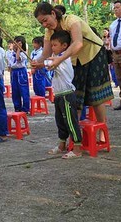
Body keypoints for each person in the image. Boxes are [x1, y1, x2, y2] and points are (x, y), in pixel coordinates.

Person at [32, 3, 113, 127]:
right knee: (75, 95)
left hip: (94, 54)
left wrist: (60, 59)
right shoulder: (48, 32)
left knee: (96, 95)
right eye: (41, 23)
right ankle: (74, 134)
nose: (44, 24)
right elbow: (46, 53)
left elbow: (78, 43)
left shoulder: (71, 20)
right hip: (75, 60)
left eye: (45, 20)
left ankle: (102, 128)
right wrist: (38, 62)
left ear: (53, 13)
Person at [46, 30, 83, 159]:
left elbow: (50, 64)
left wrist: (42, 64)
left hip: (67, 95)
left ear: (64, 46)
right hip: (58, 95)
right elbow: (49, 64)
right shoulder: (56, 59)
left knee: (71, 121)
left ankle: (77, 148)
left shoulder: (64, 59)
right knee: (60, 121)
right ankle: (62, 144)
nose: (52, 48)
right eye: (51, 45)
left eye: (55, 45)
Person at [7, 36, 30, 113]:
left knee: (23, 90)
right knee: (15, 90)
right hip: (14, 72)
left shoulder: (23, 53)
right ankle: (17, 107)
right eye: (15, 42)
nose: (15, 44)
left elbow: (17, 59)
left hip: (21, 72)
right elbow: (10, 64)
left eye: (18, 43)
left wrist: (19, 49)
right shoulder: (10, 53)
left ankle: (25, 108)